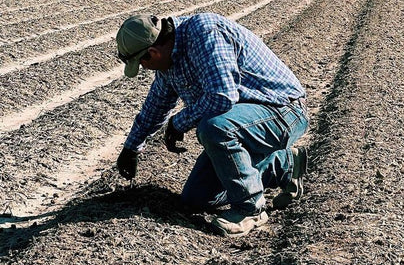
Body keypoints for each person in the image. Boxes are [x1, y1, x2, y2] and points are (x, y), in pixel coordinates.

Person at [115, 13, 309, 237]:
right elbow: (155, 107)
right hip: (246, 120)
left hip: (283, 111)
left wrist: (178, 123)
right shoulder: (168, 63)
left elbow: (222, 97)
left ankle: (251, 210)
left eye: (141, 63)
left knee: (214, 126)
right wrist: (131, 148)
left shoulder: (205, 32)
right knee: (198, 198)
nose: (145, 69)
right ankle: (282, 165)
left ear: (152, 53)